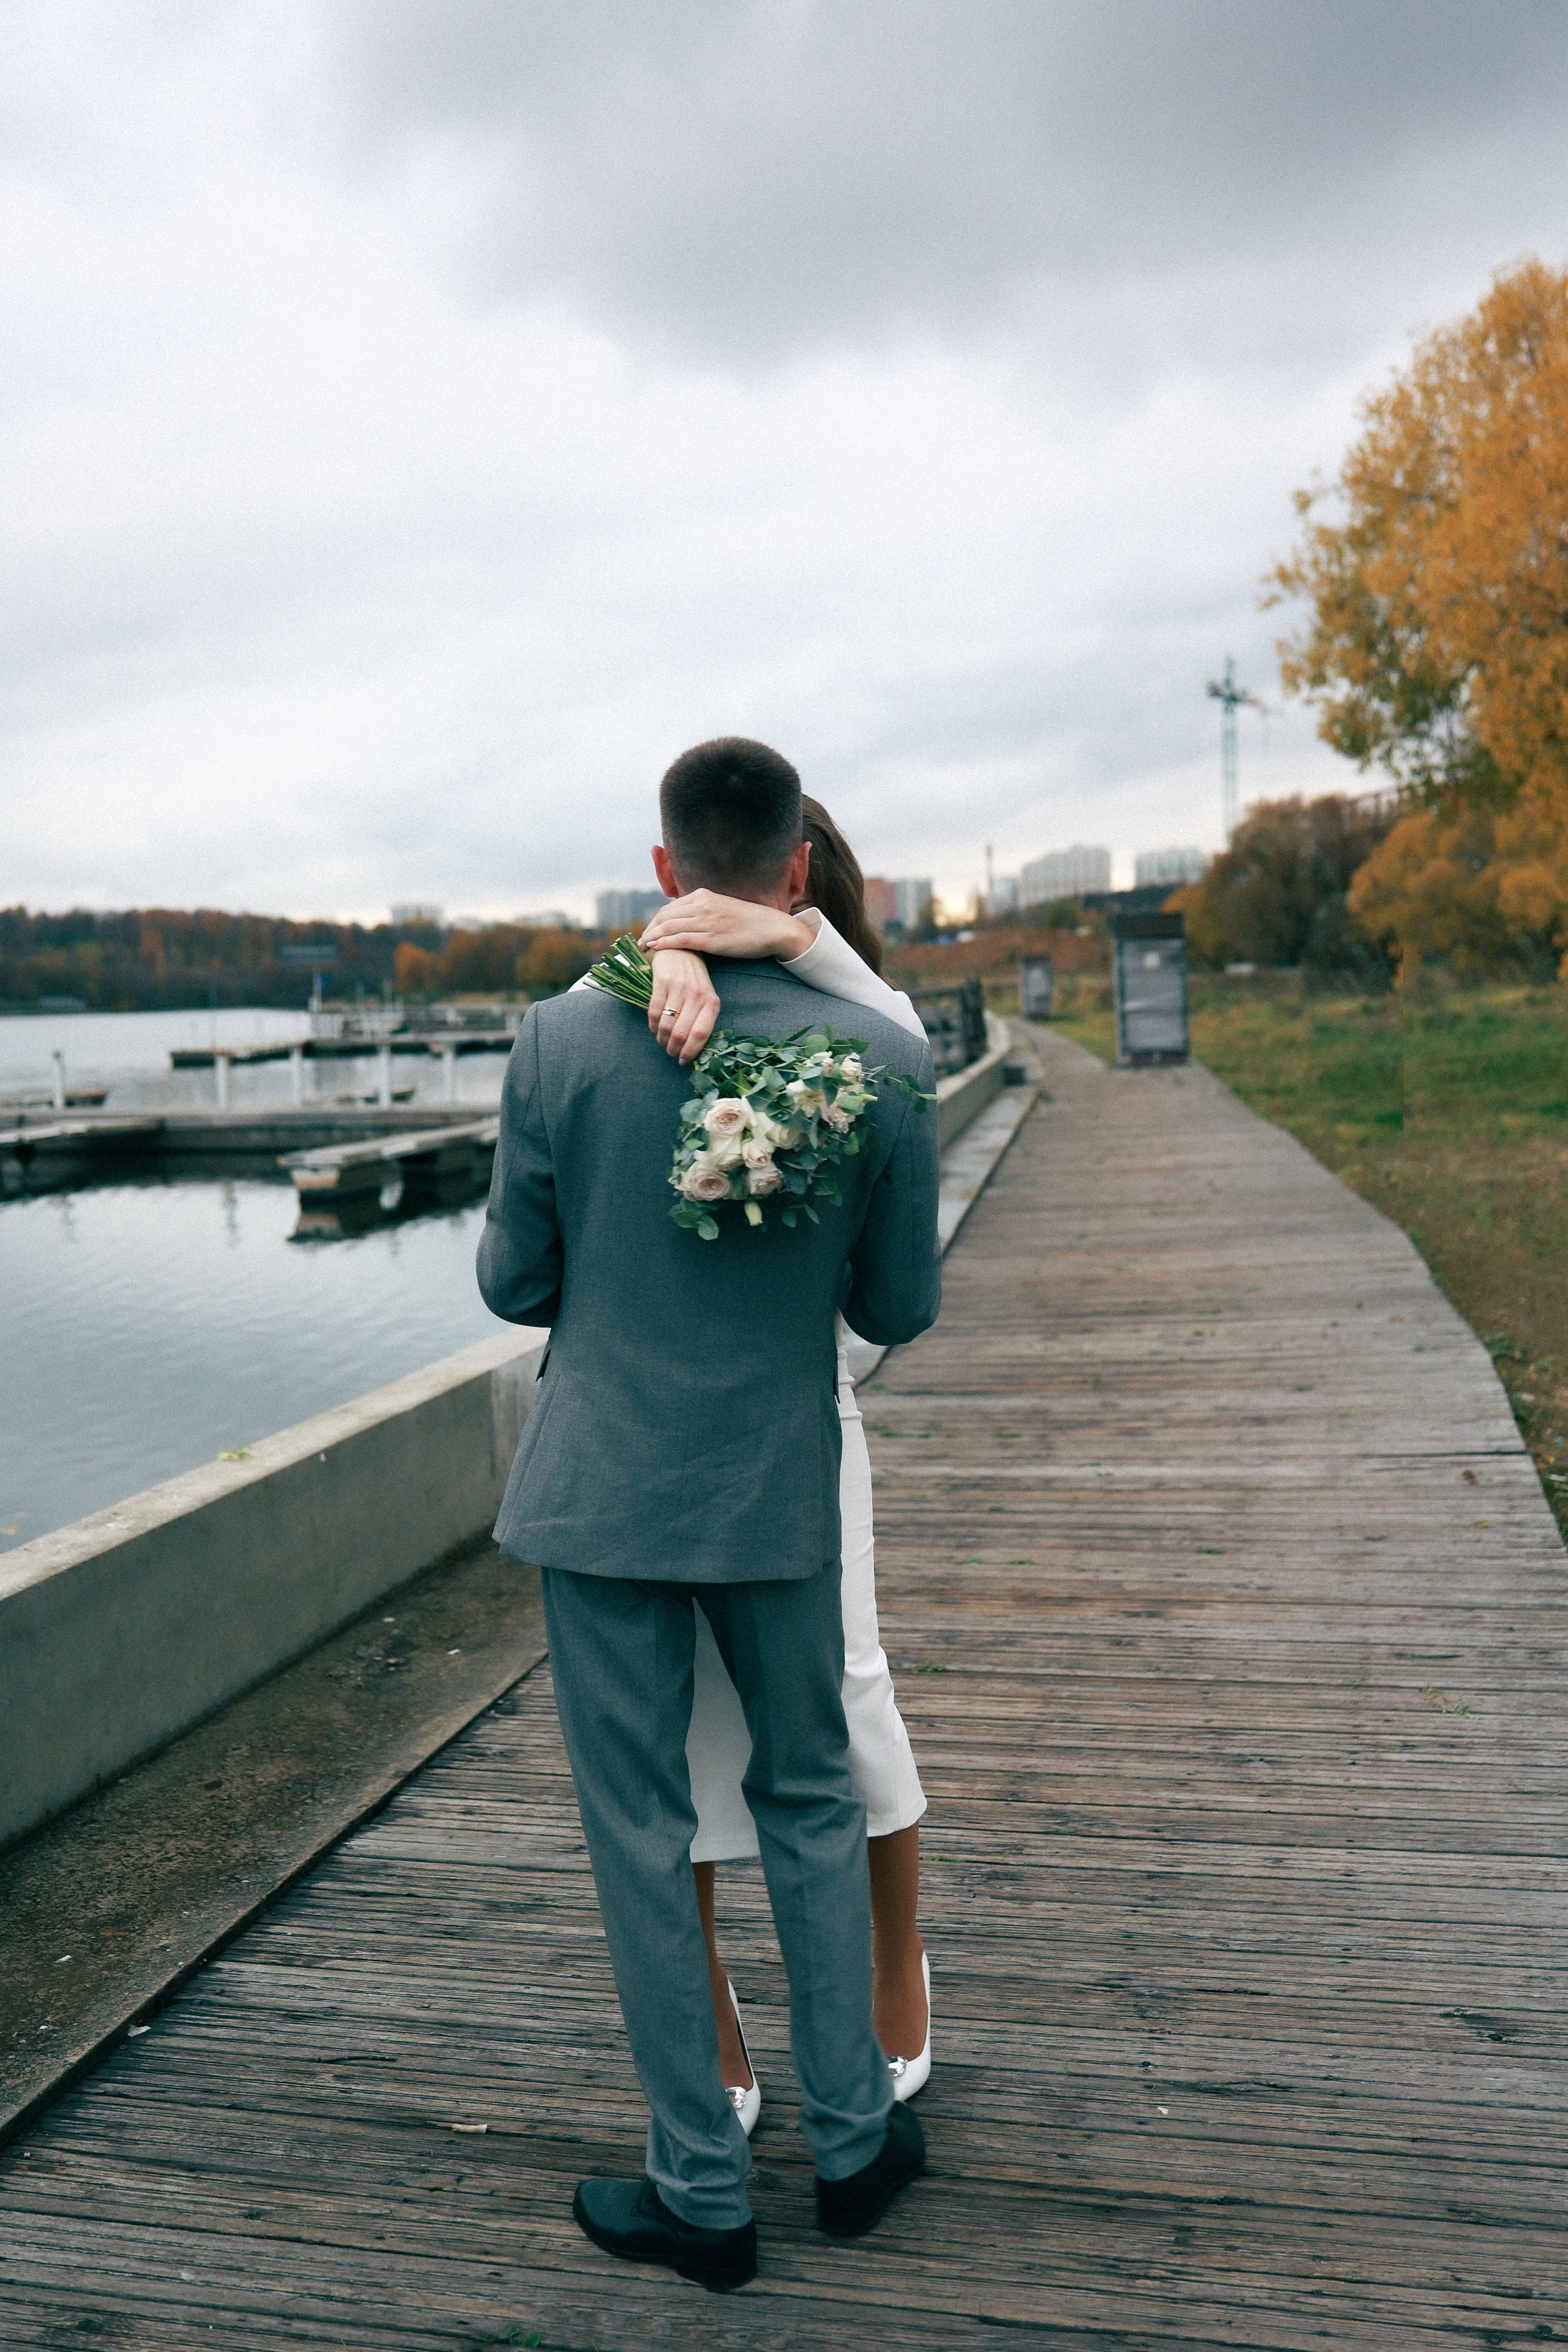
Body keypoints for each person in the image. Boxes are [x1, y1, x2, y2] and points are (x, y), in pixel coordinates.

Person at [477, 738, 941, 2292]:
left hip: (601, 1492)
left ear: (664, 870)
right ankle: (857, 2143)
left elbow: (512, 1283)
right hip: (775, 1489)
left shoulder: (557, 1036)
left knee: (640, 1827)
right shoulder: (877, 1060)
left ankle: (703, 2192)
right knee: (811, 1794)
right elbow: (899, 1301)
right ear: (795, 870)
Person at [634, 800, 933, 2133]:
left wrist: (793, 940)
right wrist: (670, 957)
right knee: (685, 1720)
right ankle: (708, 2019)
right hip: (656, 1419)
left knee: (848, 1685)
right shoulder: (631, 1000)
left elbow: (906, 1060)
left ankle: (892, 1973)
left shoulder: (860, 1020)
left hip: (805, 1410)